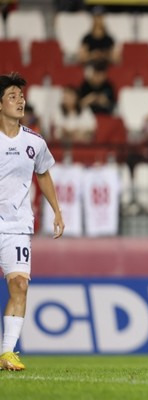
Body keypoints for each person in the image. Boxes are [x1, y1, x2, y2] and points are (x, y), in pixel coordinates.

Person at [0, 72, 65, 371]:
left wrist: (57, 210)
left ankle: (7, 352)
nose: (19, 100)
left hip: (17, 225)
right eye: (12, 96)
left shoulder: (34, 141)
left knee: (20, 286)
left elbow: (43, 173)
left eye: (21, 96)